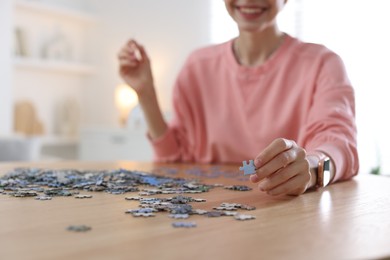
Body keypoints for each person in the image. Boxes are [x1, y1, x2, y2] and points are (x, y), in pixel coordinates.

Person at [117, 0, 359, 196]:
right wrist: (145, 93)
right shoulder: (196, 66)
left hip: (289, 217)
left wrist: (315, 168)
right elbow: (175, 160)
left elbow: (339, 144)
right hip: (207, 218)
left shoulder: (323, 64)